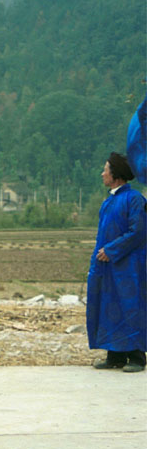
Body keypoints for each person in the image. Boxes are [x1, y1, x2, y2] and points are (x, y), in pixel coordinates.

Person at [87, 153, 146, 372]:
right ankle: (115, 356)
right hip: (107, 266)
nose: (102, 174)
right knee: (108, 308)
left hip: (128, 268)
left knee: (130, 308)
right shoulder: (108, 202)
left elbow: (138, 232)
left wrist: (112, 250)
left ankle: (137, 357)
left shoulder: (135, 199)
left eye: (106, 169)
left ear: (116, 175)